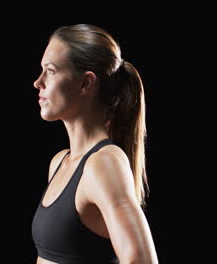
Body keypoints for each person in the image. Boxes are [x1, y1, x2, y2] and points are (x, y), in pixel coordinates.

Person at [31, 24, 158, 264]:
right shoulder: (60, 162)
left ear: (85, 83)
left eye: (51, 71)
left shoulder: (103, 163)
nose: (38, 82)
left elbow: (142, 260)